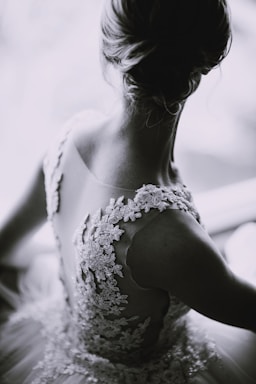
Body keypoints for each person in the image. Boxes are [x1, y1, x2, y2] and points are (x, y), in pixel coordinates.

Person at [0, 0, 256, 383]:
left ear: (111, 49)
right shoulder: (168, 235)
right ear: (208, 60)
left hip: (55, 346)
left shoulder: (67, 142)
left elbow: (6, 243)